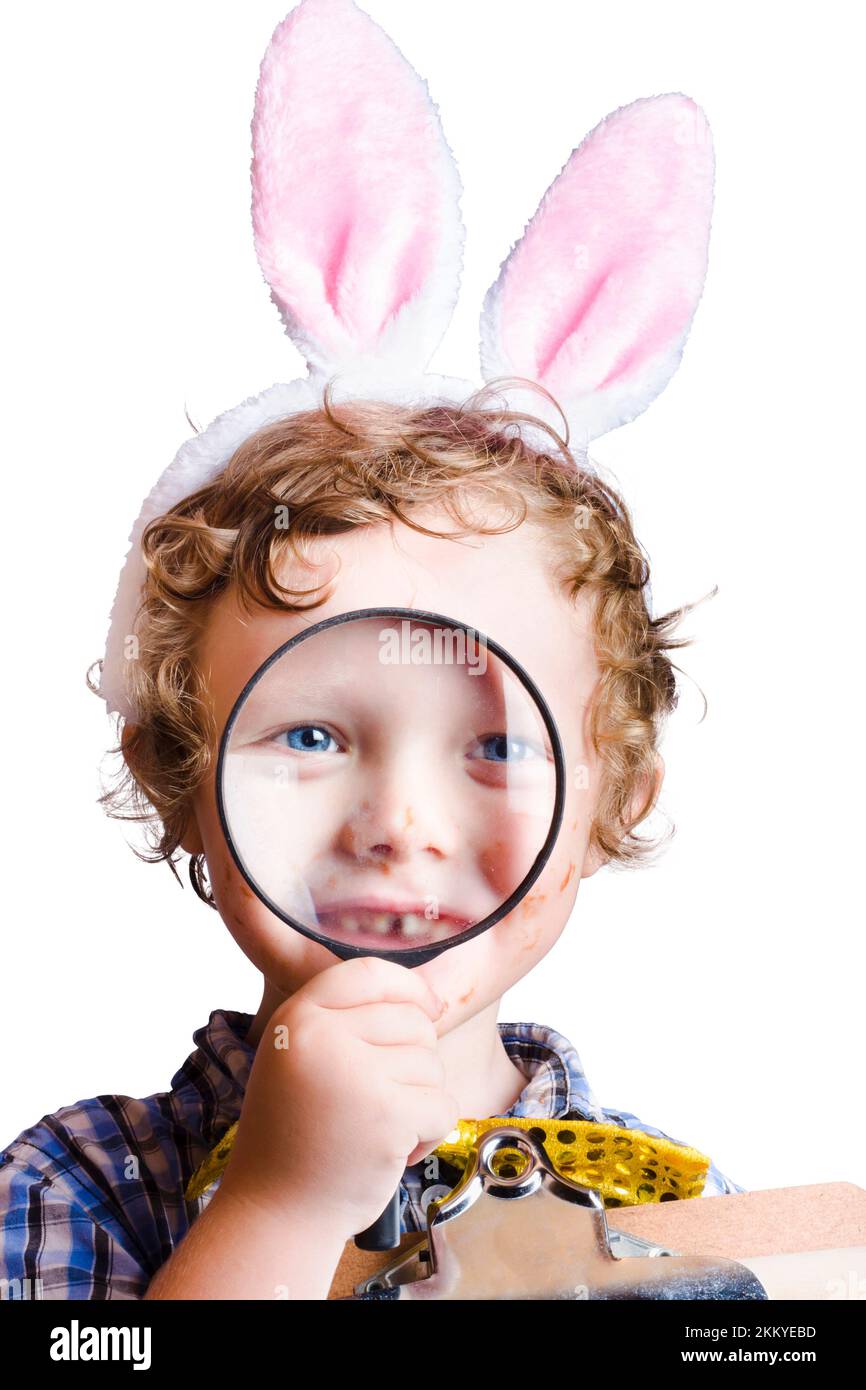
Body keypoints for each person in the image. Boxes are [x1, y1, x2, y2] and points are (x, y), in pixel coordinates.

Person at [0, 0, 742, 1301]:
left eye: (495, 743)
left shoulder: (683, 1219)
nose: (398, 821)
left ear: (613, 794)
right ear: (182, 771)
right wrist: (284, 1204)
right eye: (310, 733)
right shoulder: (74, 1178)